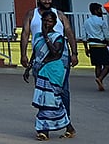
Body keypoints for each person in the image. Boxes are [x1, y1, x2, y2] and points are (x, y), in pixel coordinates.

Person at [27, 9, 76, 140]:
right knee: (45, 100)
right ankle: (68, 127)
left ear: (54, 23)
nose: (47, 23)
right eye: (45, 21)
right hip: (41, 70)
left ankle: (44, 130)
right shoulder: (37, 36)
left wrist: (46, 36)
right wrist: (29, 67)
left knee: (52, 100)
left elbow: (55, 53)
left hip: (54, 71)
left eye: (50, 21)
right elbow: (36, 51)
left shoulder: (58, 37)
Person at [82, 1, 109, 91]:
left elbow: (84, 37)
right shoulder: (101, 21)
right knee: (107, 65)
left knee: (97, 65)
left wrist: (85, 48)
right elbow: (107, 35)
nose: (101, 11)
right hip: (101, 45)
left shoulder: (86, 22)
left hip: (92, 45)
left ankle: (99, 83)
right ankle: (100, 79)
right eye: (99, 9)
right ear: (96, 10)